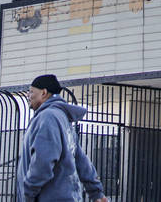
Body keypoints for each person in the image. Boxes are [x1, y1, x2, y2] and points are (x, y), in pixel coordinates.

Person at [17, 74, 107, 202]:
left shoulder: (48, 117)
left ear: (43, 93)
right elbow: (80, 159)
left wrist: (28, 194)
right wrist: (96, 192)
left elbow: (43, 162)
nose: (28, 96)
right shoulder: (62, 118)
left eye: (31, 92)